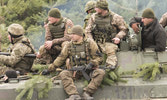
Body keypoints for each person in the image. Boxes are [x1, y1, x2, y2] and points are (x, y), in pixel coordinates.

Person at [47, 25, 105, 100]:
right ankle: (73, 95)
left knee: (100, 72)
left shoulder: (90, 43)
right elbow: (61, 58)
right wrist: (50, 68)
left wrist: (92, 63)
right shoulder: (69, 45)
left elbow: (99, 58)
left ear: (80, 34)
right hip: (75, 71)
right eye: (71, 34)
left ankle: (87, 93)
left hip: (88, 70)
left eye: (73, 34)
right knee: (64, 73)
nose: (71, 36)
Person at [85, 0, 128, 68]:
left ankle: (110, 66)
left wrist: (118, 37)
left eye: (96, 7)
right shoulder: (93, 17)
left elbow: (124, 29)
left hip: (109, 42)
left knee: (110, 50)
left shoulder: (115, 17)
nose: (95, 9)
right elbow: (87, 31)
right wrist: (91, 41)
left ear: (102, 9)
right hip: (96, 42)